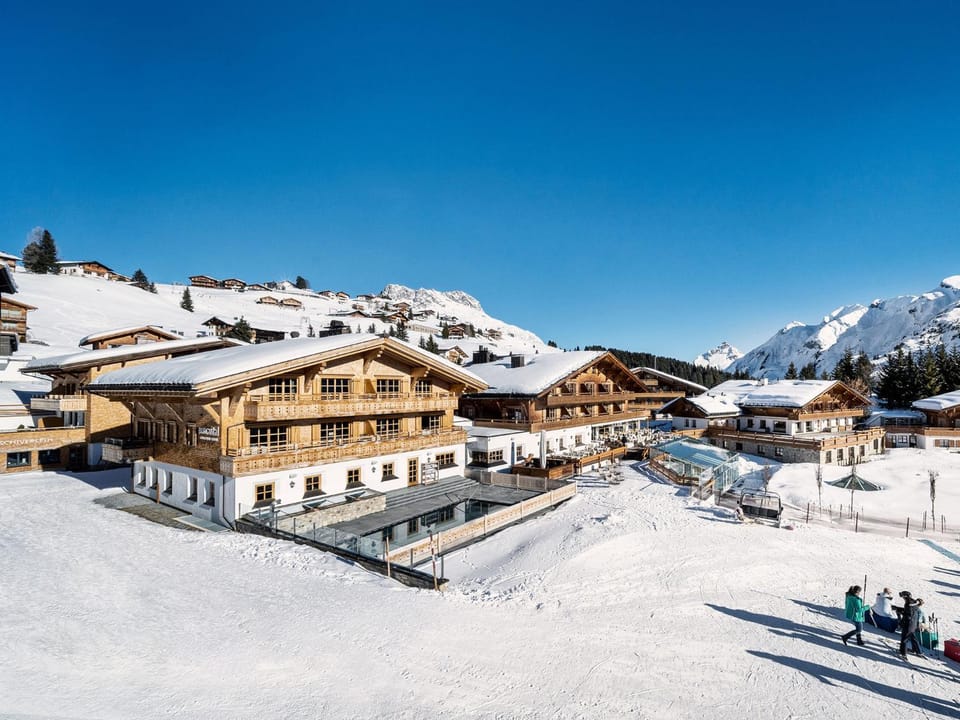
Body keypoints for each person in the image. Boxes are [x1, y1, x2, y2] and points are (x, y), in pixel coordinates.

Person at [898, 591, 921, 657]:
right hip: (914, 624)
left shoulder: (908, 604)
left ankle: (903, 654)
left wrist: (901, 622)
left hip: (908, 624)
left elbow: (907, 615)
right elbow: (911, 612)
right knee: (913, 638)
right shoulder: (914, 603)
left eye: (903, 597)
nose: (903, 598)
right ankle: (918, 651)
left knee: (904, 639)